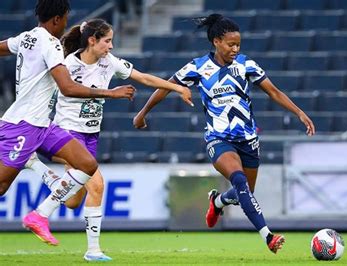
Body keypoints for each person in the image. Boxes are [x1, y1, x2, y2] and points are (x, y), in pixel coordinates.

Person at [133, 13, 315, 254]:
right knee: (239, 180)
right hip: (218, 139)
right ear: (217, 41)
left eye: (238, 44)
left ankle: (218, 201)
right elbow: (165, 88)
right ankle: (268, 236)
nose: (235, 49)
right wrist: (142, 113)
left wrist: (299, 112)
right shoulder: (198, 67)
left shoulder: (246, 64)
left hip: (248, 140)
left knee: (244, 193)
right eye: (231, 44)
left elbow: (274, 92)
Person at [24, 18, 193, 261]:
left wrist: (177, 88)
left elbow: (143, 77)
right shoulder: (68, 64)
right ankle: (83, 244)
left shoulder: (108, 62)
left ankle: (35, 165)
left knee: (73, 200)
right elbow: (64, 90)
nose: (111, 46)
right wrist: (111, 94)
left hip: (91, 134)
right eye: (107, 41)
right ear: (92, 41)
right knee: (98, 184)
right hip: (68, 132)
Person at [0, 0, 135, 248]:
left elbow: (2, 48)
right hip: (24, 125)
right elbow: (68, 87)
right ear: (56, 20)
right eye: (64, 19)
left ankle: (39, 215)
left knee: (87, 164)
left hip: (44, 125)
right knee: (1, 186)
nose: (65, 25)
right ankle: (34, 170)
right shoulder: (50, 43)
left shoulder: (27, 37)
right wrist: (111, 93)